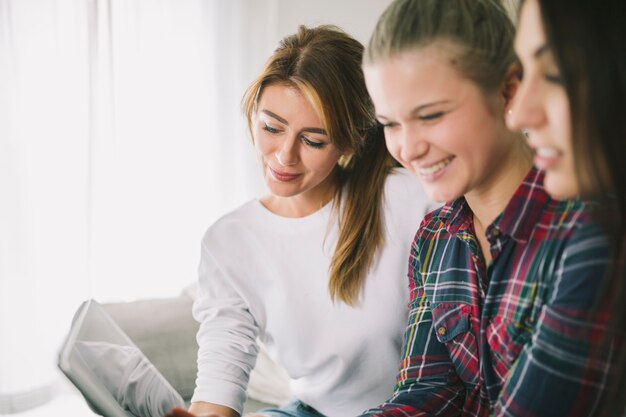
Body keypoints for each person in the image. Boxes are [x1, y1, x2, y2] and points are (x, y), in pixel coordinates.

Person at [360, 0, 616, 416]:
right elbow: (427, 390)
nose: (408, 148)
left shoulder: (589, 233)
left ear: (508, 91)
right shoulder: (433, 237)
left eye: (431, 115)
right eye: (390, 123)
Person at [178, 25, 432, 417]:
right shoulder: (229, 242)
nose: (284, 157)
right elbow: (220, 375)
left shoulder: (406, 199)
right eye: (271, 127)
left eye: (313, 140)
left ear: (350, 142)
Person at [507, 0, 626, 415]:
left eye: (556, 73)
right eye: (524, 74)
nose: (518, 113)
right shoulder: (435, 233)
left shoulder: (589, 237)